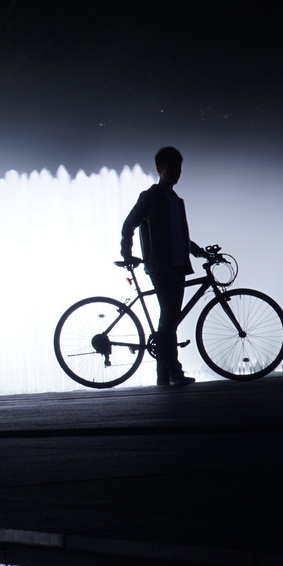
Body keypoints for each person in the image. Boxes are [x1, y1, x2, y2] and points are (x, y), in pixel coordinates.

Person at [120, 146, 206, 387]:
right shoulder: (150, 196)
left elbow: (179, 236)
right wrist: (127, 253)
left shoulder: (176, 200)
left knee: (169, 322)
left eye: (179, 168)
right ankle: (175, 372)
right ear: (159, 169)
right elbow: (128, 225)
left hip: (178, 266)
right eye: (171, 168)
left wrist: (198, 252)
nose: (177, 173)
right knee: (169, 320)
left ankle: (164, 376)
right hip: (160, 266)